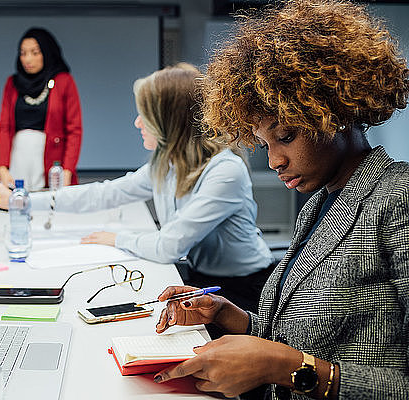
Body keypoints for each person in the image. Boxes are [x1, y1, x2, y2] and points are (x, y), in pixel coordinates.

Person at [152, 0, 409, 399]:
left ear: (333, 112)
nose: (274, 160)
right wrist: (228, 317)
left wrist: (281, 367)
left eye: (286, 136)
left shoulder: (398, 198)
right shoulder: (318, 206)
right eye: (264, 143)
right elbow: (300, 337)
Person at [0, 65, 275, 313]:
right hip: (200, 278)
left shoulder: (225, 171)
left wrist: (117, 238)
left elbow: (168, 247)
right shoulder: (168, 161)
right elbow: (104, 193)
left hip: (244, 291)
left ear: (168, 121)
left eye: (144, 115)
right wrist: (24, 200)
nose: (136, 122)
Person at [0, 27, 82, 191]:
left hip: (51, 165)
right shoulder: (12, 84)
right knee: (16, 205)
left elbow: (74, 130)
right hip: (18, 161)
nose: (28, 59)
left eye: (35, 53)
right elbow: (4, 127)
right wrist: (2, 168)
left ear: (47, 53)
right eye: (23, 53)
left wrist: (67, 171)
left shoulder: (64, 82)